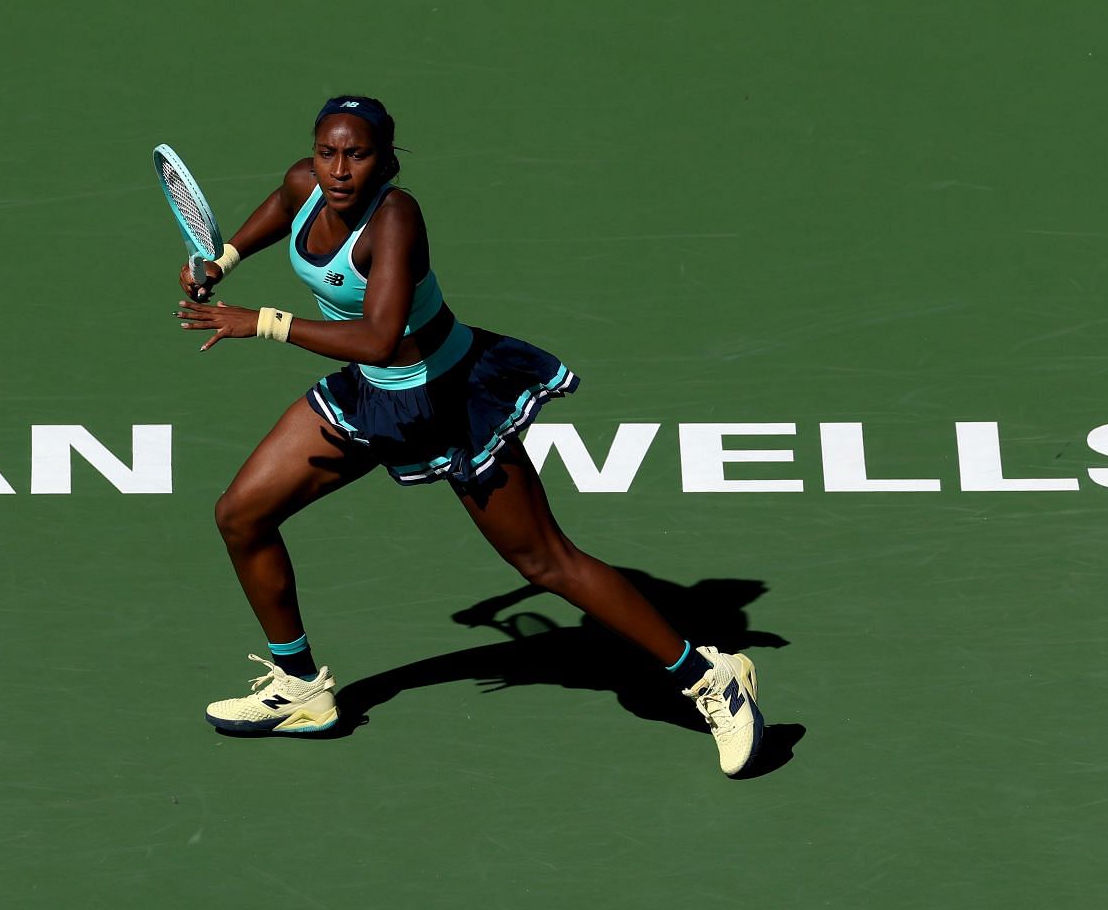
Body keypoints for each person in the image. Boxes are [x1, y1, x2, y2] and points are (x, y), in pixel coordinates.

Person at [173, 96, 764, 775]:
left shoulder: (396, 218)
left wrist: (263, 321)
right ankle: (300, 689)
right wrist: (223, 257)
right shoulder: (305, 182)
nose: (338, 170)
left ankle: (710, 676)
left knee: (545, 561)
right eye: (327, 152)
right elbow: (281, 208)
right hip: (369, 398)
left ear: (387, 159)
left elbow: (378, 336)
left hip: (449, 399)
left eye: (357, 154)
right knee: (241, 515)